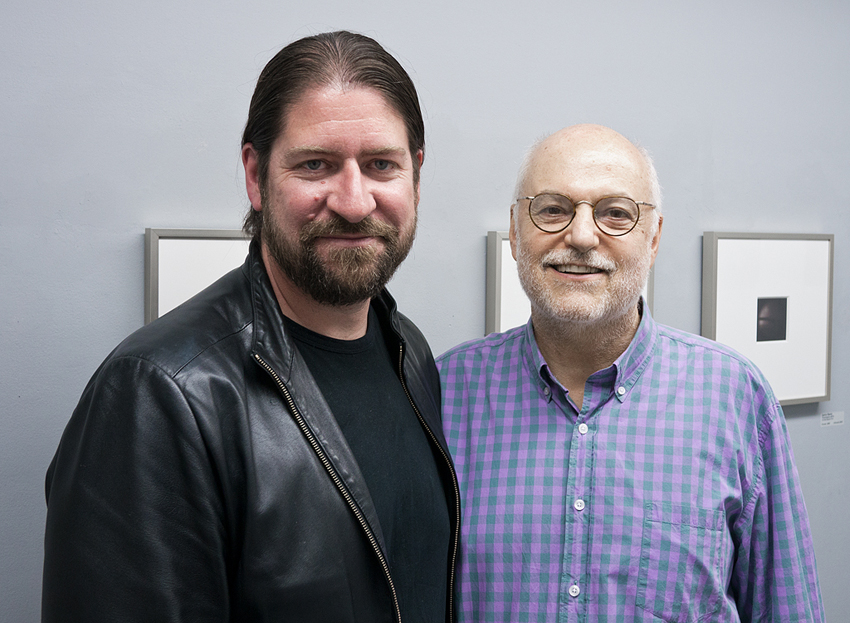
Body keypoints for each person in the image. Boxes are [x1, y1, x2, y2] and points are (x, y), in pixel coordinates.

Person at [43, 31, 459, 623]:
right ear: (255, 175)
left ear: (415, 175)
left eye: (380, 165)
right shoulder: (158, 395)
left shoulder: (408, 351)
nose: (353, 200)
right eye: (315, 164)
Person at [438, 124, 824, 622]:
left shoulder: (735, 397)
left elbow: (787, 609)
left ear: (654, 237)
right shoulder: (445, 392)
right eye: (552, 209)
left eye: (615, 214)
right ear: (516, 230)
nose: (579, 236)